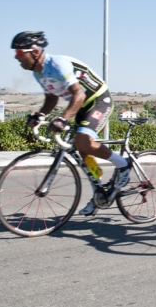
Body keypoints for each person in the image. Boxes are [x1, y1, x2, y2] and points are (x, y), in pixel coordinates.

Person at [12, 31, 130, 217]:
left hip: (97, 101)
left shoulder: (57, 65)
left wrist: (63, 118)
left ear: (34, 52)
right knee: (82, 151)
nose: (16, 57)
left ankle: (123, 164)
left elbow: (79, 94)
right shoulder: (39, 73)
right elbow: (51, 100)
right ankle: (99, 193)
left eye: (19, 53)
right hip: (80, 106)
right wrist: (40, 115)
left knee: (82, 141)